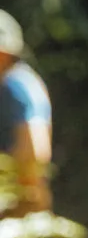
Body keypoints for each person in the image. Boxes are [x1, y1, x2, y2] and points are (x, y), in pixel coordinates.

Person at [0, 11, 52, 216]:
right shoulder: (22, 81)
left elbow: (34, 153)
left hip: (16, 216)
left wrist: (15, 206)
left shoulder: (15, 87)